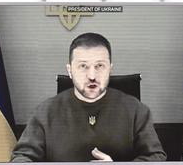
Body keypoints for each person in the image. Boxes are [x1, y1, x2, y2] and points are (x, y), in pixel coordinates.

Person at [11, 33, 166, 162]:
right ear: (70, 70)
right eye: (83, 66)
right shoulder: (45, 112)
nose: (92, 76)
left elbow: (156, 157)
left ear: (110, 69)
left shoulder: (136, 110)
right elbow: (21, 158)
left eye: (99, 66)